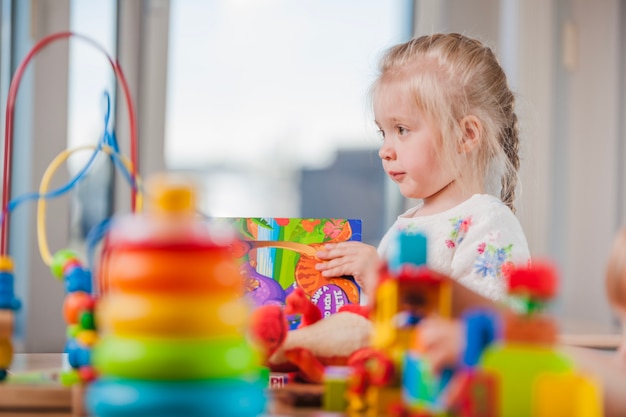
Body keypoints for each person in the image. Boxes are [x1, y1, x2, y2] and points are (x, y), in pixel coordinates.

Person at [315, 33, 530, 312]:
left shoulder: (487, 224)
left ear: (465, 136)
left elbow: (491, 327)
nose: (384, 150)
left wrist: (379, 278)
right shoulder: (405, 225)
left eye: (402, 130)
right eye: (384, 132)